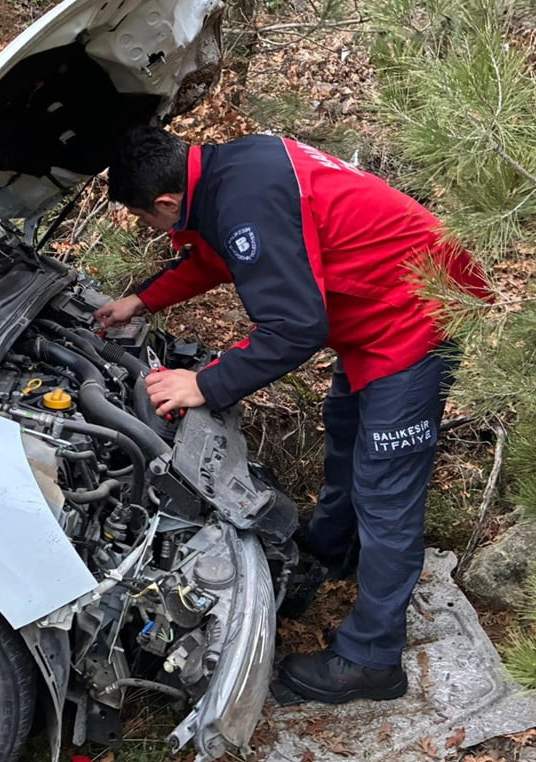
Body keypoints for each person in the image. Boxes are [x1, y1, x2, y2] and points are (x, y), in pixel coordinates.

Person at [95, 126, 490, 704]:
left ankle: (372, 658)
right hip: (376, 313)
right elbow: (216, 256)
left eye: (144, 218)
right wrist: (142, 299)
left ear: (167, 202)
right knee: (346, 434)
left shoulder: (244, 200)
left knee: (386, 494)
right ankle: (330, 549)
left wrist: (204, 383)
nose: (149, 229)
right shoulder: (228, 171)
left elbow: (295, 327)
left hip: (415, 319)